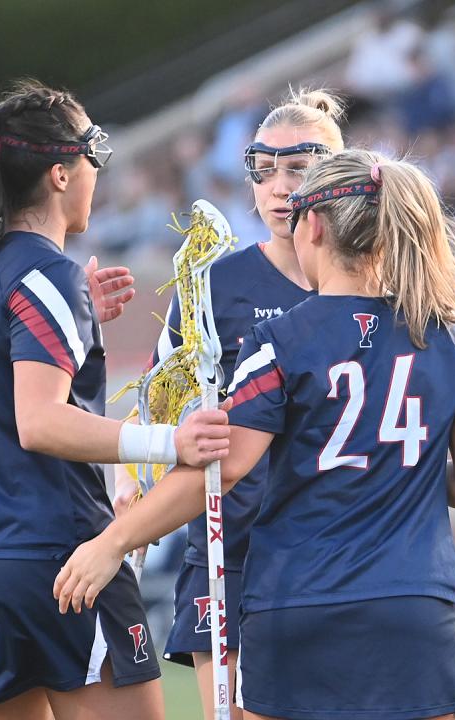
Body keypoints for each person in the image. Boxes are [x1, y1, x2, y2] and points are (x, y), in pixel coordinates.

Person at [55, 149, 455, 720]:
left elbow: (223, 467)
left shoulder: (279, 339)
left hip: (297, 603)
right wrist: (389, 471)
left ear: (312, 225)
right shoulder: (453, 338)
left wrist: (112, 542)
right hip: (415, 604)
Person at [0, 79, 228, 720]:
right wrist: (169, 440)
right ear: (59, 174)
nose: (97, 173)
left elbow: (6, 392)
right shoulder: (46, 273)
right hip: (53, 553)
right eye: (92, 157)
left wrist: (80, 324)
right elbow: (38, 422)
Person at [129, 87, 344, 720]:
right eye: (263, 169)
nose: (279, 186)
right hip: (232, 551)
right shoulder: (215, 284)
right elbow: (156, 403)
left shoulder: (378, 286)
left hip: (338, 550)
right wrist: (131, 487)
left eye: (299, 168)